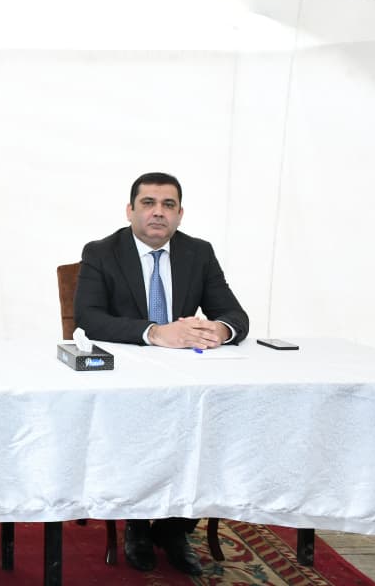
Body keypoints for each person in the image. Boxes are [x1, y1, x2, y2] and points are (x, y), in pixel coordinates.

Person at [74, 171, 249, 576]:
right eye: (148, 203)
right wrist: (155, 333)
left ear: (180, 214)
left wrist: (220, 330)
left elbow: (234, 314)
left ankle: (174, 529)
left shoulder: (198, 253)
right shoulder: (101, 252)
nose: (158, 212)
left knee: (214, 428)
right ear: (130, 210)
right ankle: (137, 525)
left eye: (168, 205)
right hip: (126, 380)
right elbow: (88, 319)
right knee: (143, 433)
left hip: (186, 379)